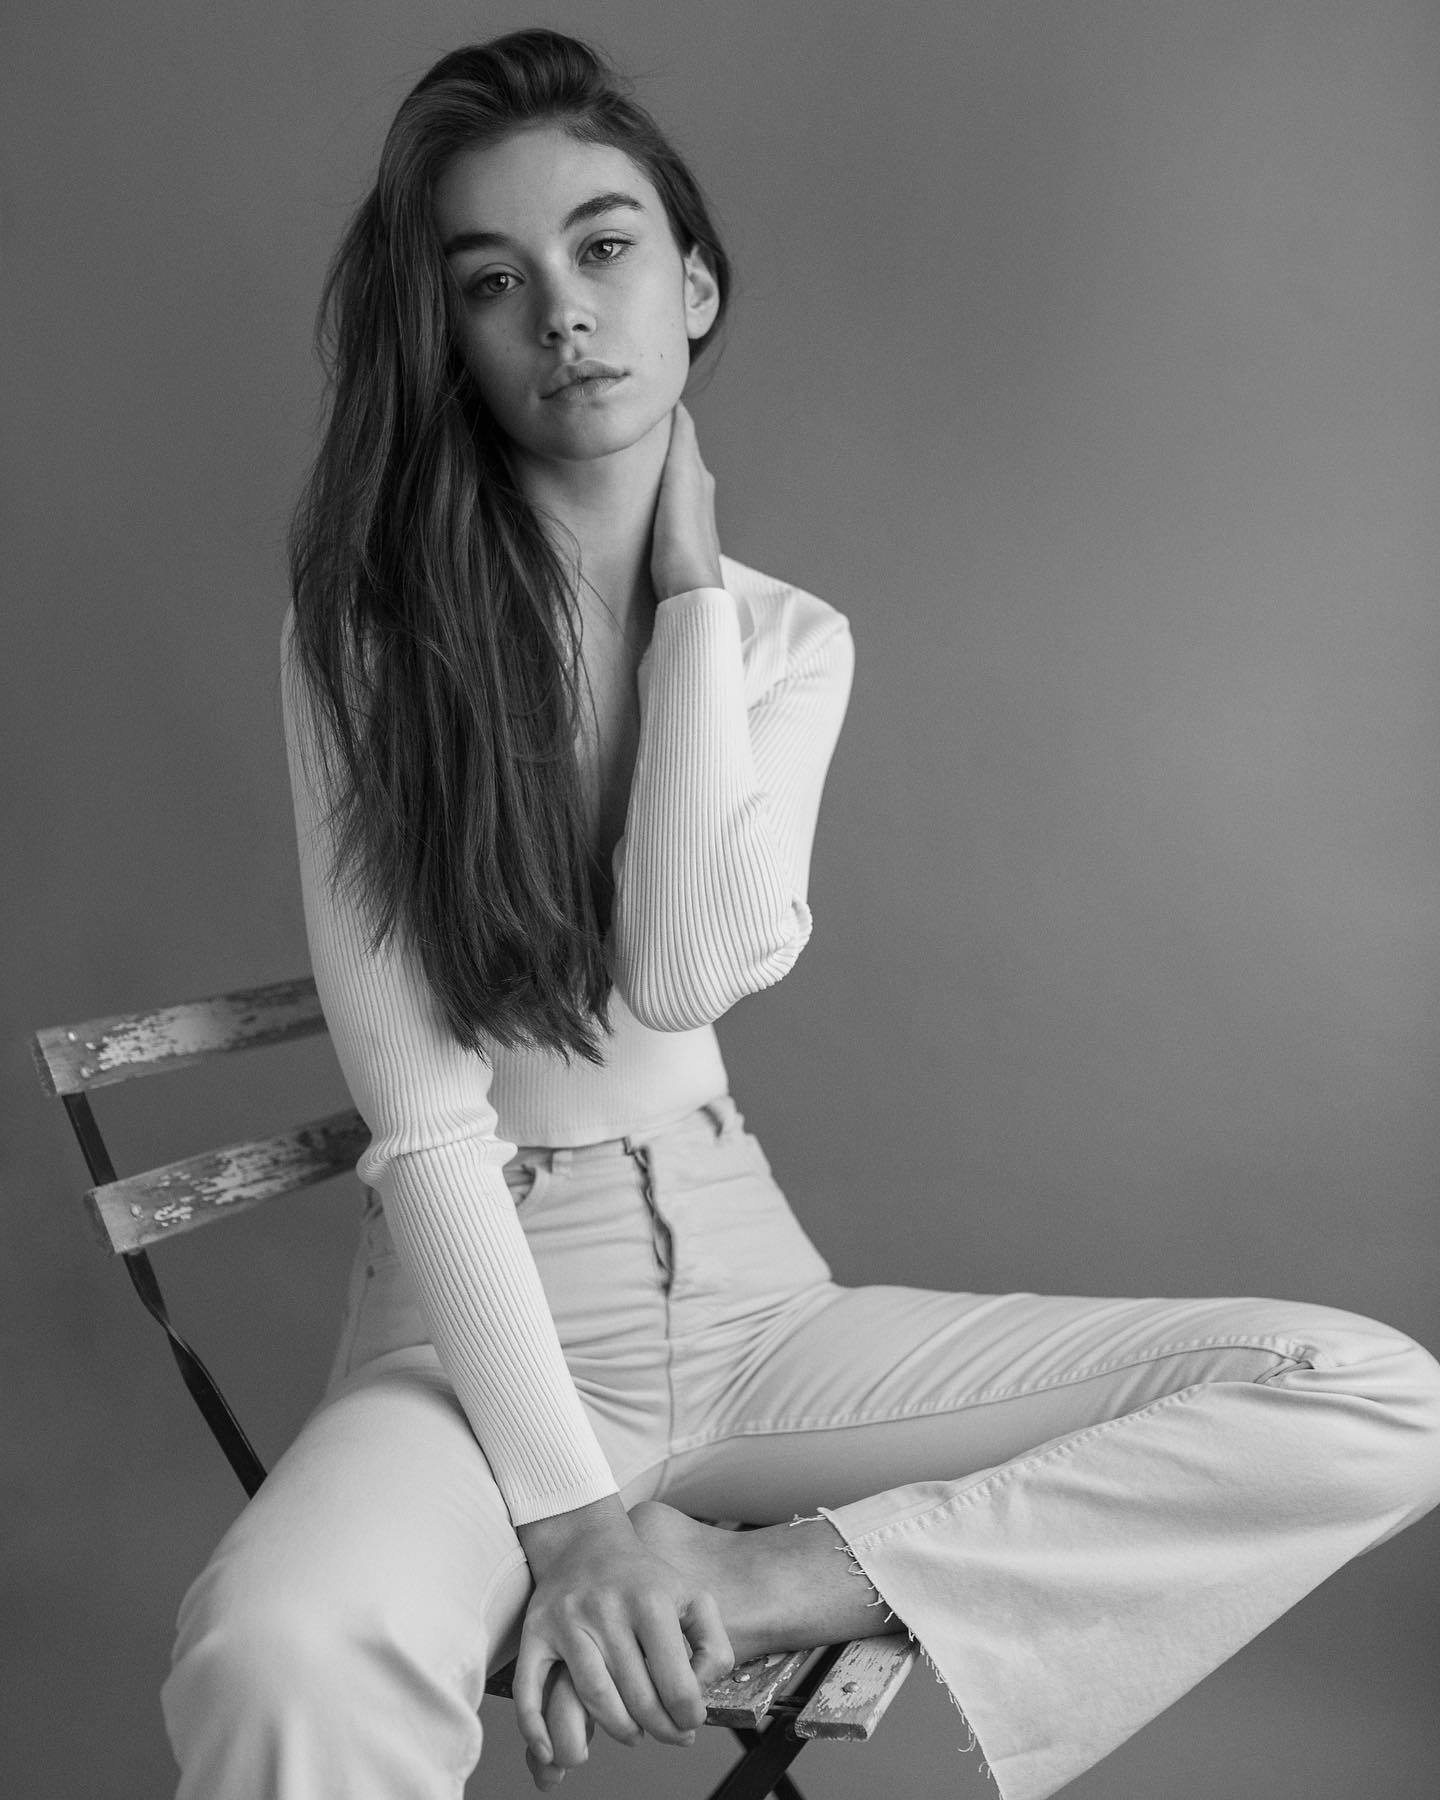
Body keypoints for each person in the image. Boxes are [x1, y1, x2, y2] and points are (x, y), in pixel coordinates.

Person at [161, 29, 1440, 1800]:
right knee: (279, 1651)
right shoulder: (372, 642)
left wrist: (689, 599)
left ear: (692, 287)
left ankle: (768, 1580)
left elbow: (682, 969)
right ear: (445, 336)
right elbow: (426, 1122)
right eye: (493, 281)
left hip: (752, 1307)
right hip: (476, 1333)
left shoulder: (781, 640)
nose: (564, 311)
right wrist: (573, 1521)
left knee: (1366, 1392)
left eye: (605, 248)